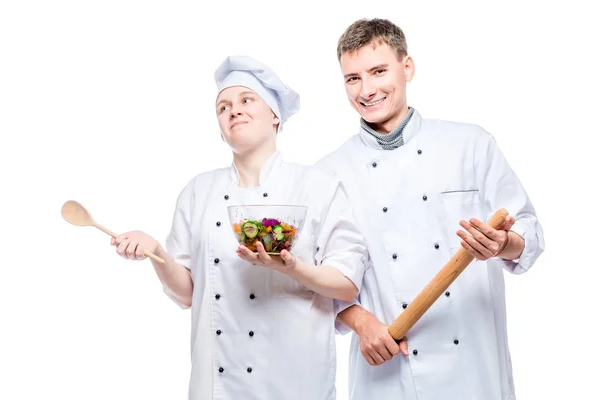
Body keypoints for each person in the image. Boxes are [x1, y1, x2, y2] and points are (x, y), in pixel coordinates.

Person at [110, 55, 368, 400]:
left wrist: (294, 268)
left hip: (296, 383)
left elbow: (347, 285)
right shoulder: (198, 192)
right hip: (217, 387)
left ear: (275, 115)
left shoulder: (317, 187)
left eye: (247, 100)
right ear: (220, 128)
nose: (234, 110)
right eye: (223, 107)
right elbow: (187, 293)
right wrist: (157, 252)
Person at [316, 18, 545, 400]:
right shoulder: (328, 174)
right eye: (352, 78)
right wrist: (359, 321)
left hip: (473, 366)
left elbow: (530, 232)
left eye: (378, 71)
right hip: (389, 368)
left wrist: (503, 243)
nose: (366, 89)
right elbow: (319, 279)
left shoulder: (470, 144)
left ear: (407, 68)